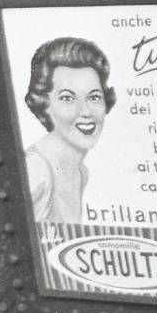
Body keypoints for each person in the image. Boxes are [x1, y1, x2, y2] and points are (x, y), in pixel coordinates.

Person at [24, 36, 115, 224]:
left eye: (94, 97)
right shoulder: (36, 170)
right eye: (67, 98)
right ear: (44, 103)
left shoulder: (81, 173)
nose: (85, 112)